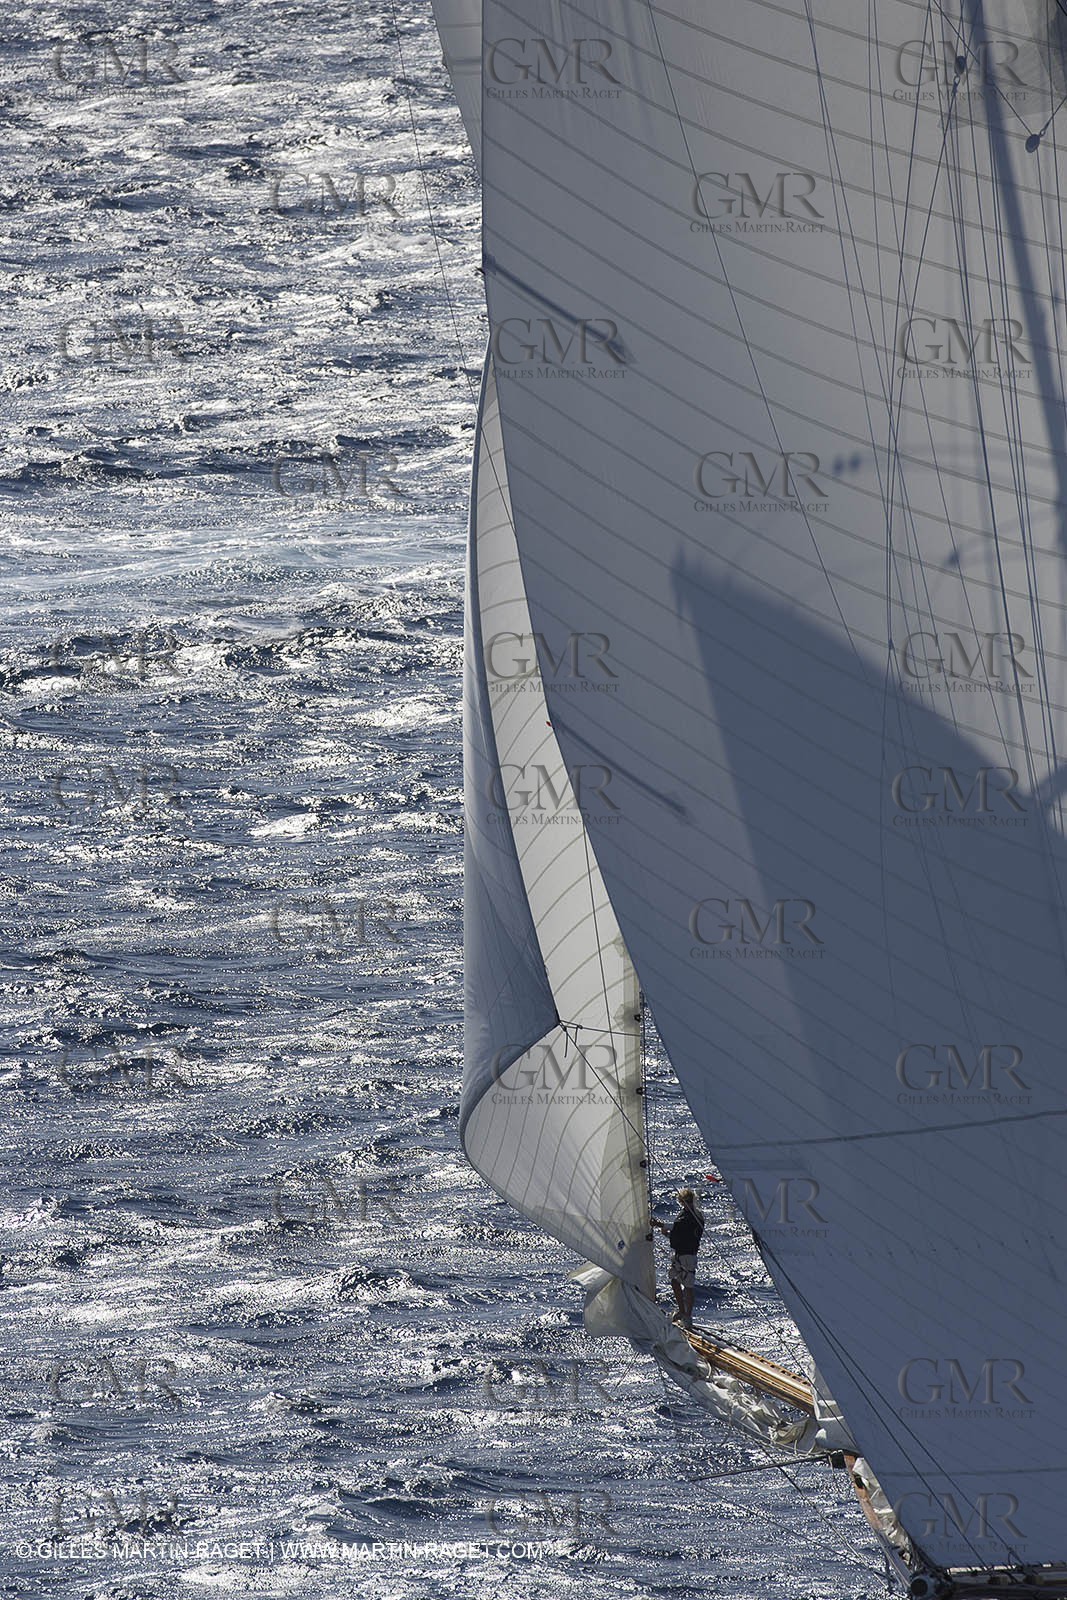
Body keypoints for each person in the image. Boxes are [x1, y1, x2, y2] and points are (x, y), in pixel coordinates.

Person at [653, 1187, 705, 1328]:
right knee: (675, 1281)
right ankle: (682, 1311)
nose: (686, 1204)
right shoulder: (685, 1214)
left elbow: (679, 1227)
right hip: (680, 1254)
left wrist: (659, 1224)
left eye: (687, 1201)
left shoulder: (694, 1216)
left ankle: (688, 1316)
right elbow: (680, 1233)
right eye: (684, 1202)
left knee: (688, 1286)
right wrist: (668, 1235)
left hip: (689, 1255)